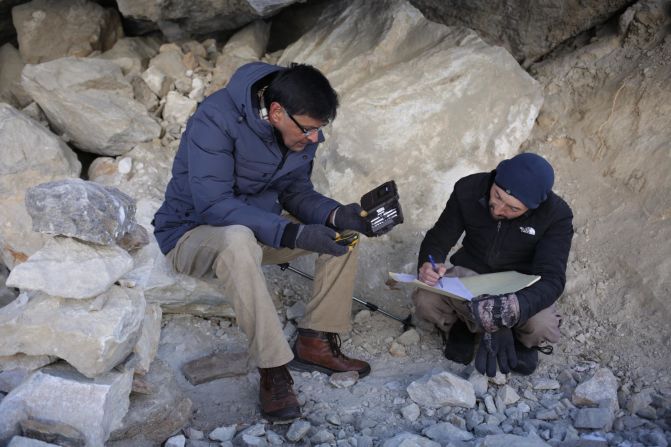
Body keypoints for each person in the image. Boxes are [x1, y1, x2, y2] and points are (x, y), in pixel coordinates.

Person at [153, 62, 377, 422]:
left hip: (258, 228)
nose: (314, 139)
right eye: (309, 130)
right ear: (276, 112)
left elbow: (296, 191)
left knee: (344, 236)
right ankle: (273, 369)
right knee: (239, 239)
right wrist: (291, 232)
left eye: (320, 131)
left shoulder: (300, 130)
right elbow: (213, 205)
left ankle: (316, 341)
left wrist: (337, 216)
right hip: (191, 233)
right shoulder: (215, 119)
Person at [413, 152, 573, 377]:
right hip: (470, 275)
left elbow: (553, 278)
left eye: (513, 209)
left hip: (519, 286)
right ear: (496, 177)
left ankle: (522, 340)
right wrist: (430, 263)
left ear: (533, 207)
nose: (498, 210)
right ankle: (464, 327)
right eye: (497, 196)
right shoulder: (468, 188)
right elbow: (439, 238)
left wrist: (513, 307)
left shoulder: (557, 215)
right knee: (425, 299)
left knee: (542, 326)